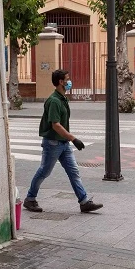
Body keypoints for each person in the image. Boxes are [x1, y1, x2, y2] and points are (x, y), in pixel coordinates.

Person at [23, 69, 103, 214]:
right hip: (53, 143)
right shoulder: (54, 101)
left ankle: (84, 201)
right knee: (44, 172)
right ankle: (30, 199)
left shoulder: (61, 98)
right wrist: (74, 139)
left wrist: (69, 140)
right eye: (67, 78)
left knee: (74, 172)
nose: (69, 81)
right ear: (61, 82)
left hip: (63, 144)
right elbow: (55, 125)